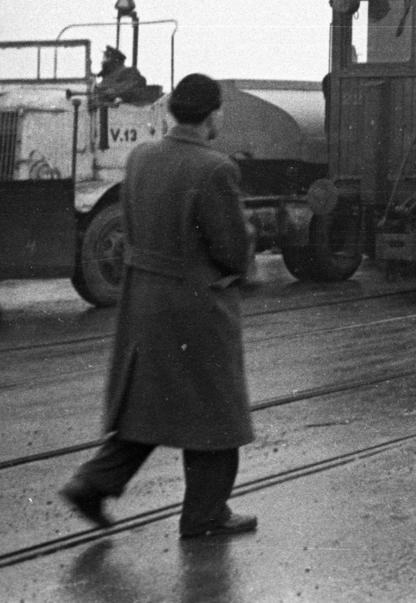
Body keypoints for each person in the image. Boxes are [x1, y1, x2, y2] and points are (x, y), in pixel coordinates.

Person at [58, 73, 258, 539]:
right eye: (220, 111)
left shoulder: (140, 157)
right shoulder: (215, 168)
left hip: (143, 299)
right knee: (215, 413)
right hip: (197, 305)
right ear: (211, 115)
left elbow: (132, 224)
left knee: (146, 404)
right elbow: (231, 250)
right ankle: (206, 514)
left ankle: (92, 483)